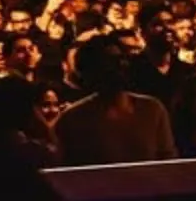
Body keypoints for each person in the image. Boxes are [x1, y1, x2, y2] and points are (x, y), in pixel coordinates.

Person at [52, 34, 178, 166]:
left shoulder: (153, 110)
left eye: (122, 59)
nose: (120, 66)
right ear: (91, 70)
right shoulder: (72, 119)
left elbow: (169, 164)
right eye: (110, 62)